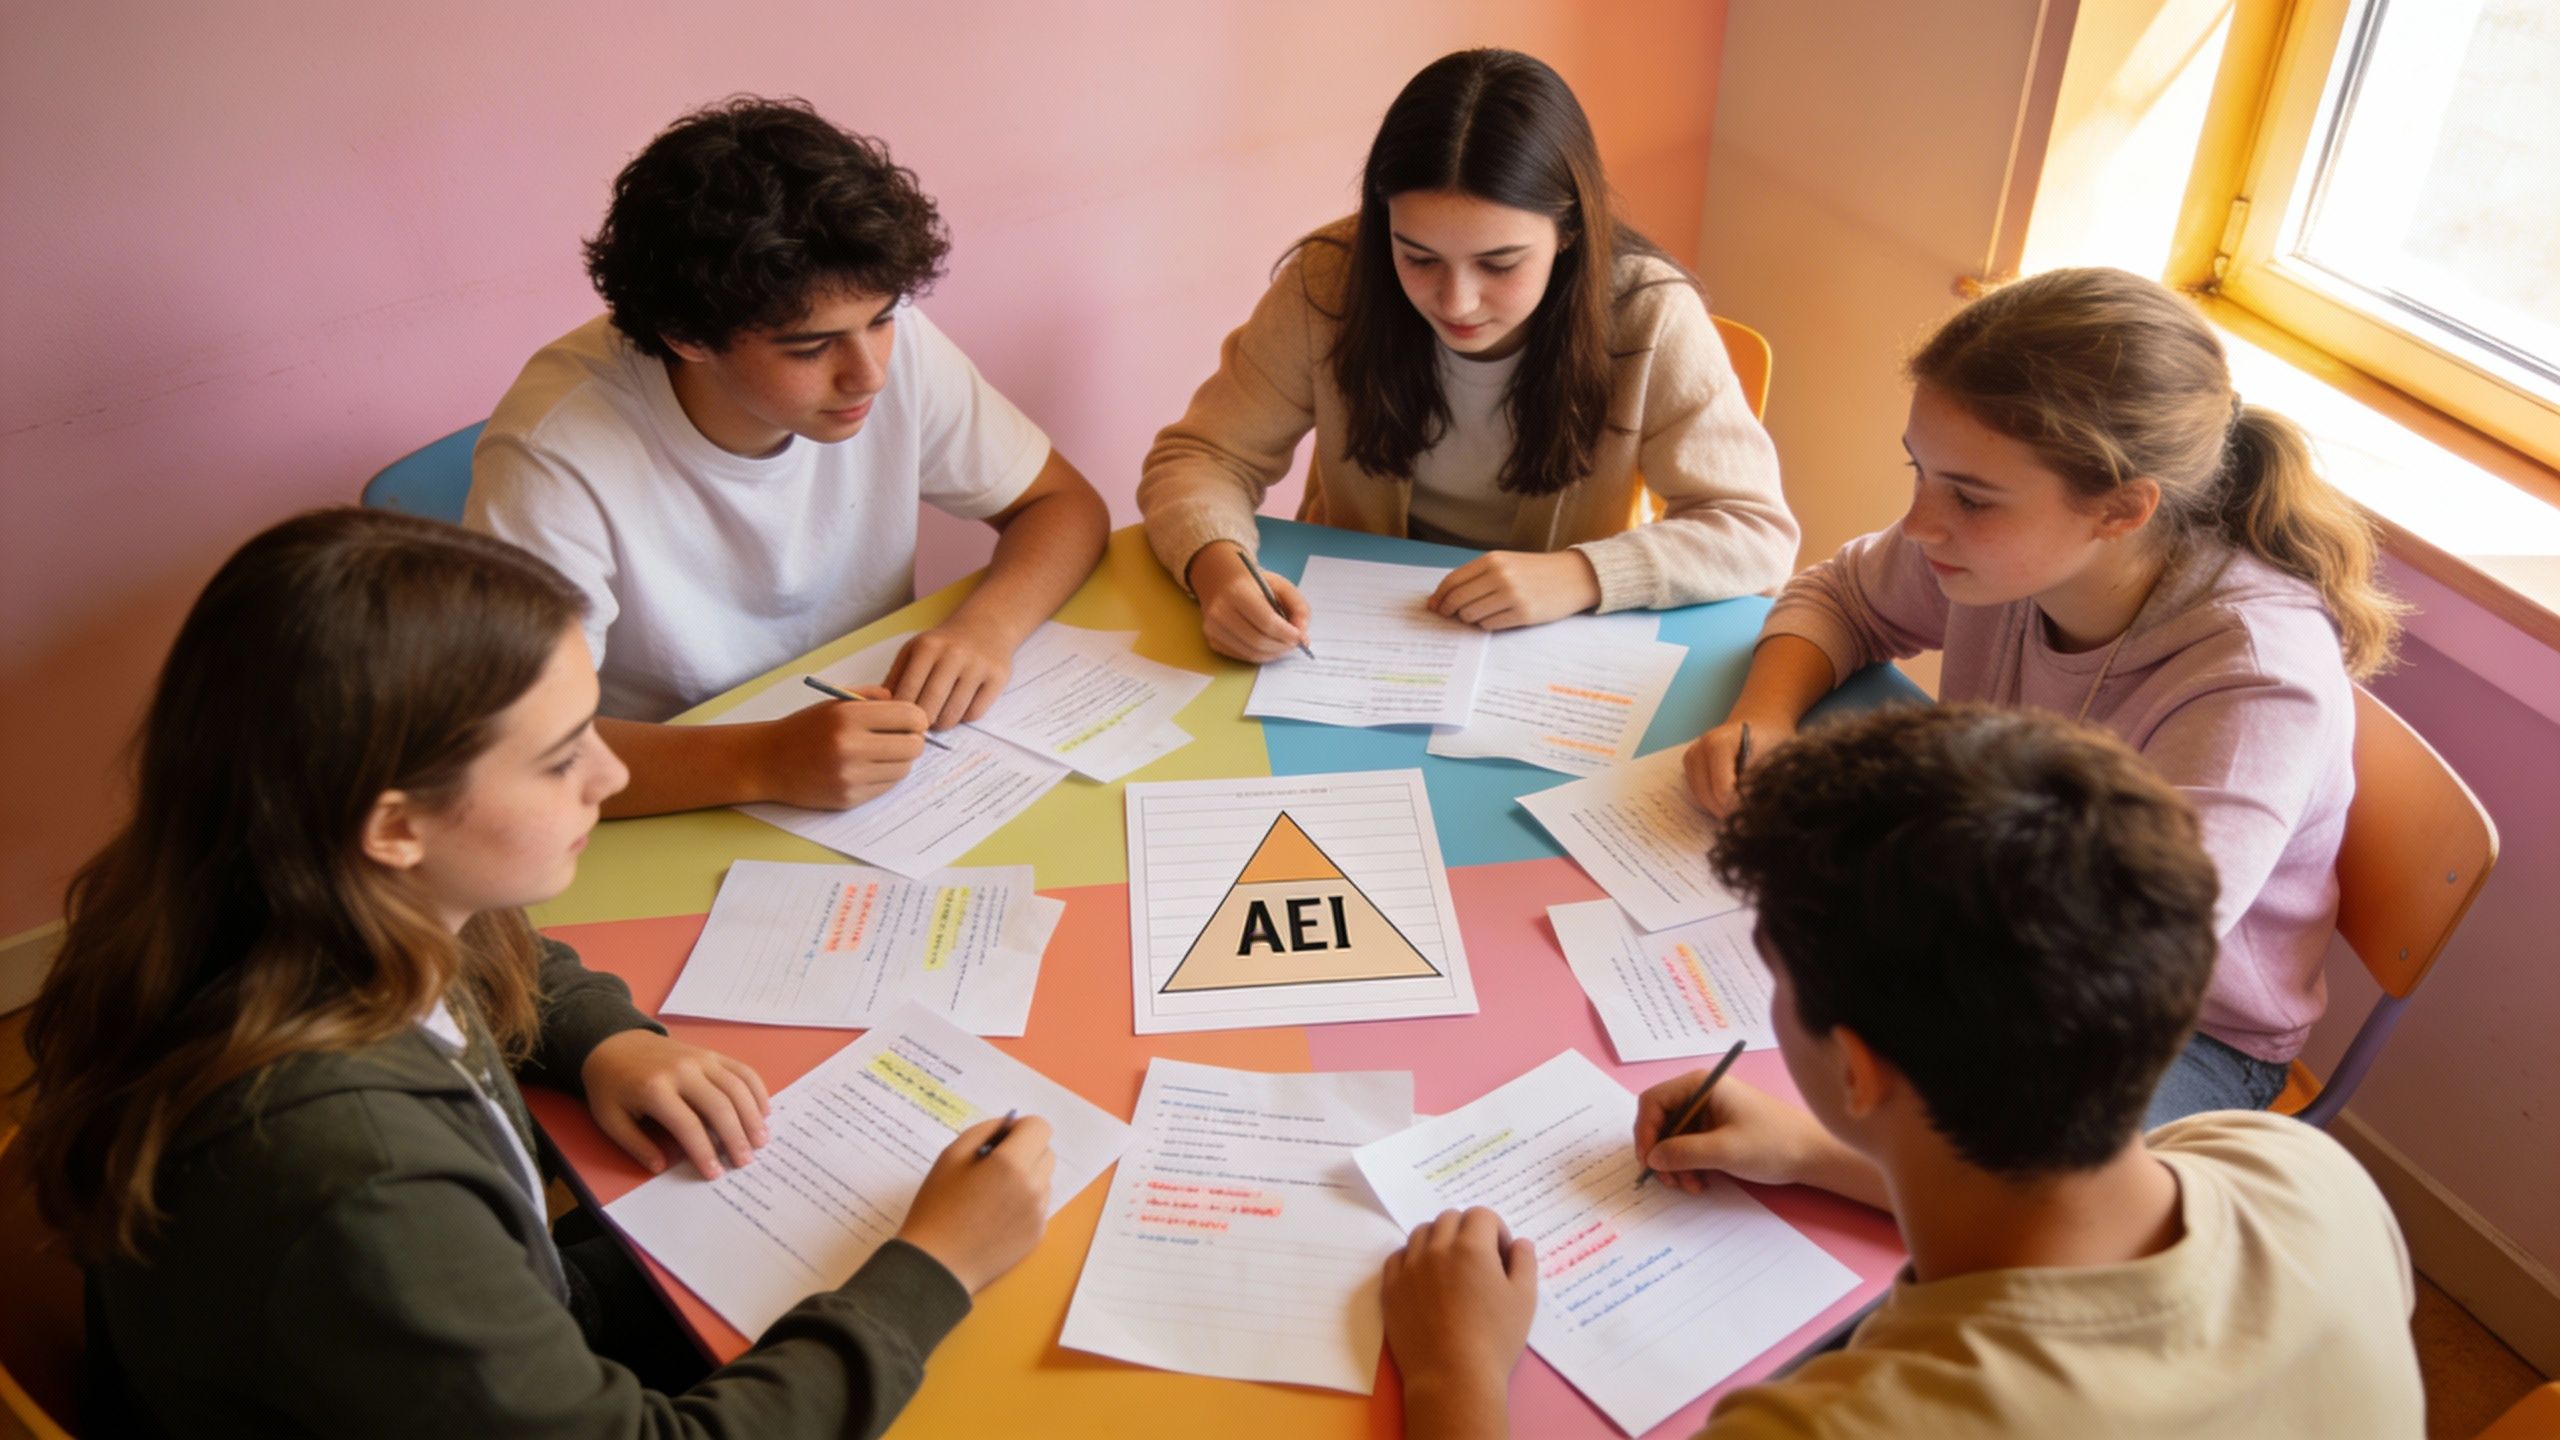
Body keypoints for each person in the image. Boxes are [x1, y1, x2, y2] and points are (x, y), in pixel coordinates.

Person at [18, 509, 1056, 1436]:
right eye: (564, 757)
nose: (609, 776)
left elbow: (495, 952)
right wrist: (935, 1270)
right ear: (395, 825)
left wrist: (605, 1040)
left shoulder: (273, 884)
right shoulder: (355, 1178)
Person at [1382, 704, 2423, 1439]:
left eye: (1776, 980)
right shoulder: (2291, 1166)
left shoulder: (1829, 1423)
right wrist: (1814, 1151)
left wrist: (1452, 1371)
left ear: (1859, 1068)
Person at [1683, 267, 2402, 1125]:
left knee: (1952, 1143)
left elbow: (2122, 961)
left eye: (1970, 497)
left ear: (2121, 509)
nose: (1920, 522)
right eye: (1922, 472)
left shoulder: (2257, 682)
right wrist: (1764, 714)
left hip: (2174, 1030)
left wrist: (1813, 1138)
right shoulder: (2002, 551)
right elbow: (1840, 596)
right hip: (1990, 927)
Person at [468, 97, 1109, 819]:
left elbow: (1062, 505)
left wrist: (987, 626)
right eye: (809, 348)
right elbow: (519, 755)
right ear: (686, 336)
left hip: (878, 770)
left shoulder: (874, 335)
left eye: (883, 320)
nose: (868, 373)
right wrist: (762, 760)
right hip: (665, 791)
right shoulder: (552, 453)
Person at [1138, 48, 1797, 662]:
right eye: (1417, 257)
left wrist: (1583, 575)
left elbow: (1753, 531)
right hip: (1351, 635)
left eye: (1498, 263)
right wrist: (1219, 570)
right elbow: (1202, 457)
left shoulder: (1650, 314)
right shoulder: (1328, 285)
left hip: (1550, 646)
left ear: (1569, 231)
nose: (1456, 301)